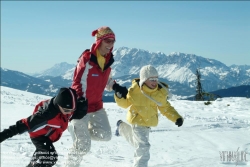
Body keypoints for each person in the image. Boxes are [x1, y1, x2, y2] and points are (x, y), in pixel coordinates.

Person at [64, 26, 127, 167]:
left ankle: (80, 134)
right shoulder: (87, 59)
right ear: (99, 41)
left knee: (106, 135)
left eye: (113, 41)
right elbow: (77, 81)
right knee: (83, 146)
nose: (111, 45)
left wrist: (116, 87)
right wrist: (80, 99)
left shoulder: (107, 60)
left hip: (97, 106)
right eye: (108, 41)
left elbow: (107, 80)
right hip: (81, 106)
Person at [114, 65, 184, 167]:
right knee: (143, 148)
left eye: (156, 79)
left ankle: (121, 128)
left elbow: (165, 108)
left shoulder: (159, 93)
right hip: (137, 120)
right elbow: (125, 103)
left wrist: (176, 117)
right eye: (151, 79)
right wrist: (119, 96)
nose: (154, 81)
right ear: (144, 79)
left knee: (138, 144)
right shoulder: (135, 90)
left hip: (147, 123)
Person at [0, 87, 88, 167]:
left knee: (40, 158)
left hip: (49, 135)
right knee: (50, 157)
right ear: (58, 104)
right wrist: (3, 135)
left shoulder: (66, 108)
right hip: (39, 137)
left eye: (72, 110)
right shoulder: (45, 115)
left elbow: (70, 114)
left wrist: (80, 112)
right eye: (66, 110)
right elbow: (23, 125)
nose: (69, 112)